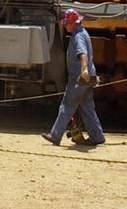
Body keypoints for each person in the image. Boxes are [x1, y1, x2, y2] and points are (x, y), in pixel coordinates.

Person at [43, 9, 105, 148]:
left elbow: (82, 54)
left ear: (72, 23)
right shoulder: (83, 33)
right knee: (87, 106)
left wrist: (83, 70)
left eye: (66, 24)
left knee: (67, 104)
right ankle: (97, 136)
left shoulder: (78, 36)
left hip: (80, 78)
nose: (65, 27)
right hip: (88, 77)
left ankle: (55, 135)